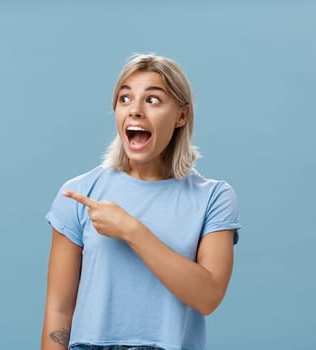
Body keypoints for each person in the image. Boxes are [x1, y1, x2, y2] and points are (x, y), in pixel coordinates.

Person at [41, 54, 241, 350]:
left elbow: (208, 296)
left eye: (153, 100)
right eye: (124, 99)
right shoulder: (80, 192)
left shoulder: (213, 197)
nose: (134, 111)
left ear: (181, 116)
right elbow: (58, 310)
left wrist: (131, 231)